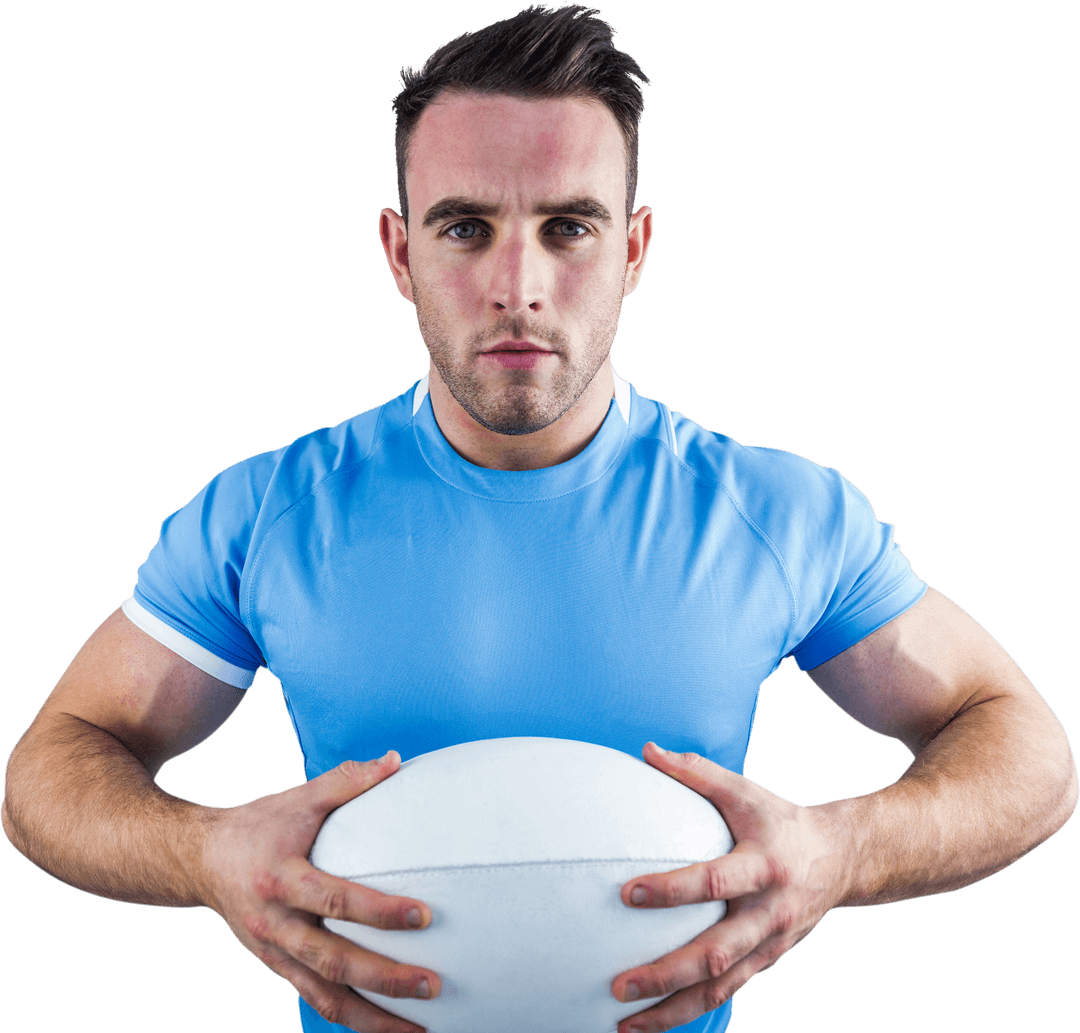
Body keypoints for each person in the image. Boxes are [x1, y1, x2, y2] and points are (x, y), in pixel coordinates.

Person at [2, 5, 1076, 1033]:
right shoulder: (268, 514)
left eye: (569, 227)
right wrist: (206, 855)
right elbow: (47, 769)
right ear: (400, 253)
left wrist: (842, 848)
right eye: (466, 227)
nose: (519, 285)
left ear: (635, 251)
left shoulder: (771, 512)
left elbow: (1030, 752)